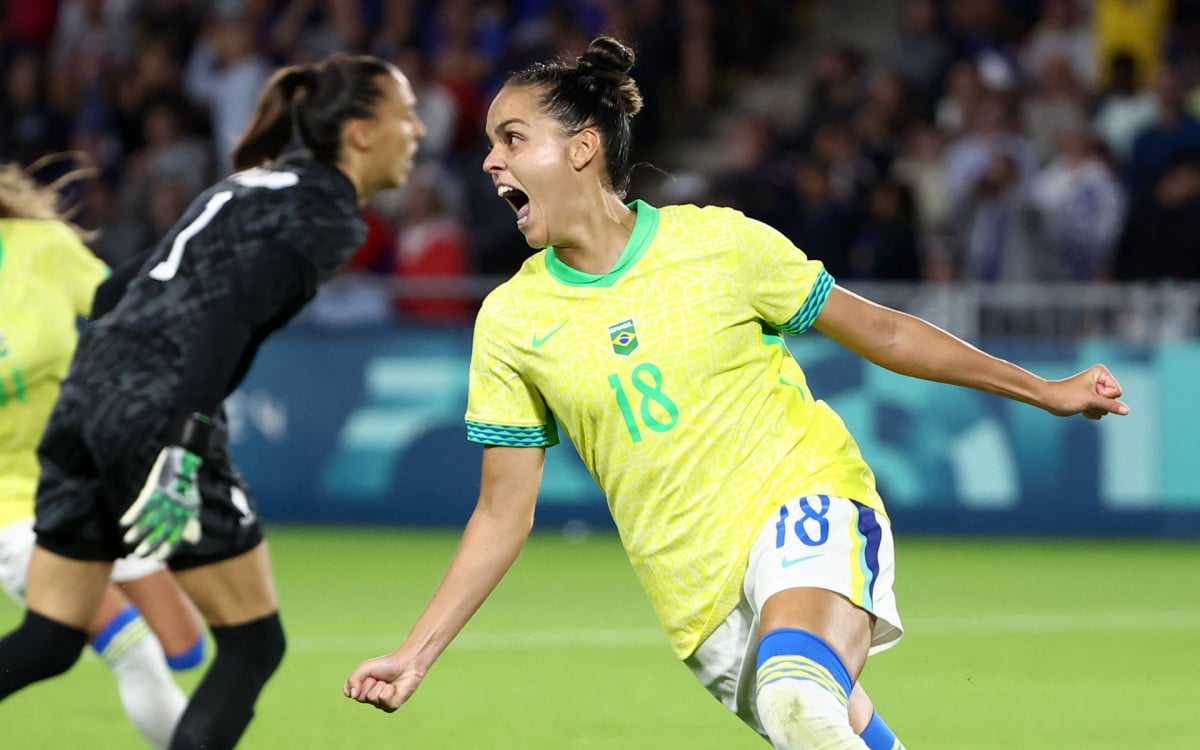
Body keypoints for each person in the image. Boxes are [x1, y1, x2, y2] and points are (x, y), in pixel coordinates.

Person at [344, 37, 1129, 750]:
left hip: (803, 500)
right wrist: (416, 653)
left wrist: (1045, 391)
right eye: (489, 144)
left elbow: (882, 333)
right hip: (698, 602)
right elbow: (501, 512)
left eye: (511, 138)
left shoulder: (716, 243)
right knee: (822, 726)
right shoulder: (512, 320)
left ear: (582, 149)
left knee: (796, 692)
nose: (489, 161)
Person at [0, 52, 425, 750]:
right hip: (158, 414)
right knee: (254, 646)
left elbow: (113, 296)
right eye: (403, 114)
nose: (418, 130)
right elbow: (228, 314)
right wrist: (184, 440)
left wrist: (115, 402)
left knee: (49, 638)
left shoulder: (251, 183)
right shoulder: (324, 213)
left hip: (85, 397)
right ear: (358, 133)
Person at [0, 161, 206, 748]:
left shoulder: (40, 245)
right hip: (9, 510)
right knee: (134, 652)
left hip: (85, 479)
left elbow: (125, 304)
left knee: (183, 644)